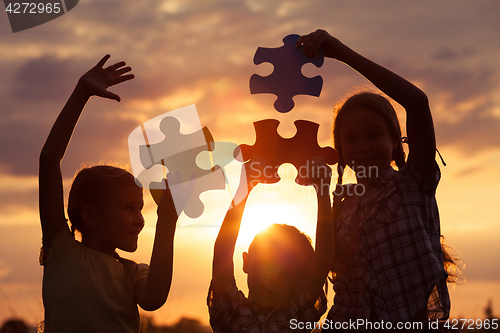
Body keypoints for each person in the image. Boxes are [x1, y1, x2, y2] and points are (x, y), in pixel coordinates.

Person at [297, 30, 452, 332]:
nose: (363, 146)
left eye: (373, 134)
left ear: (396, 141)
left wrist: (342, 53)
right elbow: (323, 265)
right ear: (340, 150)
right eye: (351, 138)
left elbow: (418, 103)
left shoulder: (413, 184)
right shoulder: (339, 207)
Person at [39, 55, 178, 333]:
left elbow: (153, 300)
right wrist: (82, 92)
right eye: (129, 208)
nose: (139, 219)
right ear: (90, 216)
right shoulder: (62, 251)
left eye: (140, 209)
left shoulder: (133, 273)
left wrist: (167, 221)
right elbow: (49, 161)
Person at [208, 158, 335, 332]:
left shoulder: (297, 315)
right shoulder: (231, 310)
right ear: (246, 262)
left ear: (301, 280)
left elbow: (322, 261)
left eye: (287, 275)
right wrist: (244, 187)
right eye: (267, 265)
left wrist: (322, 191)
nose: (273, 279)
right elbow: (222, 250)